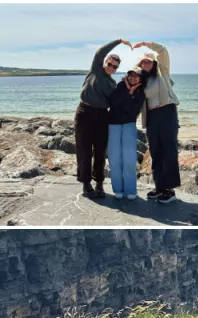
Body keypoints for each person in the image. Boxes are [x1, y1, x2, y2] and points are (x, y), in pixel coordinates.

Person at [75, 38, 130, 198]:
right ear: (105, 62)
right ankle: (86, 183)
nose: (112, 68)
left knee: (99, 151)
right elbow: (100, 52)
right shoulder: (96, 70)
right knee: (84, 149)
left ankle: (99, 183)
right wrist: (119, 41)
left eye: (115, 67)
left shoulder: (113, 84)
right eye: (110, 64)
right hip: (84, 113)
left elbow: (118, 103)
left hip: (101, 116)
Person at [133, 41, 180, 204]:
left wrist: (146, 44)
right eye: (143, 62)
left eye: (149, 61)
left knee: (169, 150)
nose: (146, 63)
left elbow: (163, 50)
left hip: (167, 113)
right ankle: (159, 187)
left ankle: (170, 189)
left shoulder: (163, 72)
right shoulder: (141, 80)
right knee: (155, 151)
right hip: (152, 117)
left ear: (154, 63)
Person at [107, 67, 146, 200]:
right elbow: (113, 103)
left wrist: (130, 93)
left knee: (129, 159)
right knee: (114, 158)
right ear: (127, 76)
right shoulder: (119, 87)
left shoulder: (140, 93)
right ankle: (118, 189)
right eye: (131, 75)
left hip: (129, 125)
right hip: (113, 125)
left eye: (136, 76)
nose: (133, 78)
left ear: (140, 78)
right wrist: (128, 93)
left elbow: (132, 111)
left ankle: (130, 190)